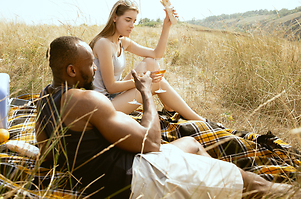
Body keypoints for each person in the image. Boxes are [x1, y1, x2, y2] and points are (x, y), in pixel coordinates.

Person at [36, 36, 300, 199]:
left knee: (193, 144)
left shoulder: (44, 100)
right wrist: (146, 93)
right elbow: (151, 143)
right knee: (247, 181)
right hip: (137, 179)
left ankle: (208, 180)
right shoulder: (85, 100)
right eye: (90, 63)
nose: (94, 68)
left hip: (113, 174)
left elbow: (46, 157)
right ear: (71, 70)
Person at [89, 0, 205, 121]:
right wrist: (142, 81)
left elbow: (156, 54)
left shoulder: (122, 42)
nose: (132, 25)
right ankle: (199, 120)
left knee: (151, 62)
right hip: (104, 105)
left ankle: (170, 109)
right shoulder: (104, 43)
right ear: (114, 18)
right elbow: (111, 87)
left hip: (114, 97)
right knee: (157, 83)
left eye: (134, 21)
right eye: (128, 20)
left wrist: (166, 25)